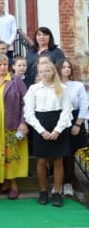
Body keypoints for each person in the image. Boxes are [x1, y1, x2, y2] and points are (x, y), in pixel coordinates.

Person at [24, 61, 73, 207]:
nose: (44, 74)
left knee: (58, 160)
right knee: (42, 161)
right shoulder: (34, 89)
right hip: (41, 125)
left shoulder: (62, 88)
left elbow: (66, 111)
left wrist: (58, 129)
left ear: (53, 72)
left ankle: (57, 192)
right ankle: (43, 191)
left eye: (47, 71)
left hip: (58, 125)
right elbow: (29, 113)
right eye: (41, 72)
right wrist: (41, 131)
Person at [0, 54, 29, 200]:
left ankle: (14, 184)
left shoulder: (16, 81)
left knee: (11, 155)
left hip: (12, 124)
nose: (2, 67)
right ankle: (4, 183)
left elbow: (26, 103)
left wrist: (23, 122)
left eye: (4, 64)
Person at [56, 59, 89, 196]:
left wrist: (78, 124)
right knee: (58, 153)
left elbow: (84, 105)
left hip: (74, 119)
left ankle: (68, 182)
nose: (66, 69)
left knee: (69, 153)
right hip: (57, 119)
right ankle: (58, 182)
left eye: (68, 67)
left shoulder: (77, 86)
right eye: (63, 67)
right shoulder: (54, 85)